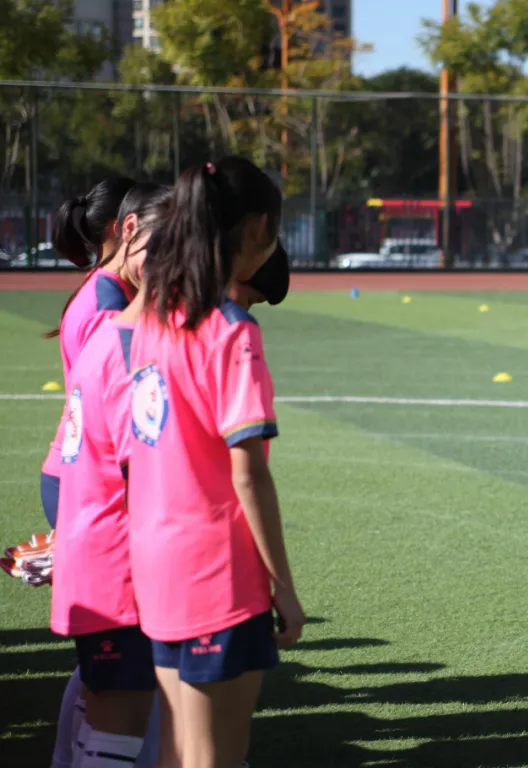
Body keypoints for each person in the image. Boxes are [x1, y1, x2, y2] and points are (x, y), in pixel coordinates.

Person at [127, 157, 304, 767]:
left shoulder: (154, 316)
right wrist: (283, 584)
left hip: (156, 564)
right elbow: (247, 471)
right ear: (258, 228)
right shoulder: (231, 332)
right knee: (215, 757)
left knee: (179, 751)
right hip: (215, 575)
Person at [50, 183, 171, 768]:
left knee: (104, 683)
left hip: (87, 491)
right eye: (165, 246)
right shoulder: (114, 318)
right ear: (126, 231)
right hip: (105, 507)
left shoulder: (109, 302)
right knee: (122, 693)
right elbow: (133, 445)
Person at [40, 177, 137, 531]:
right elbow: (110, 408)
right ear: (123, 227)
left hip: (82, 474)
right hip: (89, 481)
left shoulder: (103, 289)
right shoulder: (106, 305)